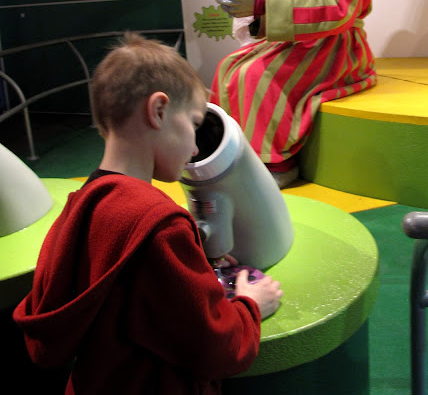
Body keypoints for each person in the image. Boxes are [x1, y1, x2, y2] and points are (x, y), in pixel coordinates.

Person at [13, 32, 283, 394]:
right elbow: (216, 350)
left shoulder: (81, 205)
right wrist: (251, 306)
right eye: (194, 124)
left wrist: (192, 261)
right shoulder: (159, 225)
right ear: (158, 111)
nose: (194, 147)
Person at [213, 0, 377, 188]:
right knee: (229, 65)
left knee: (257, 75)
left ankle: (275, 163)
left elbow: (336, 5)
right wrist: (257, 5)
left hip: (338, 46)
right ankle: (232, 149)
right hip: (310, 37)